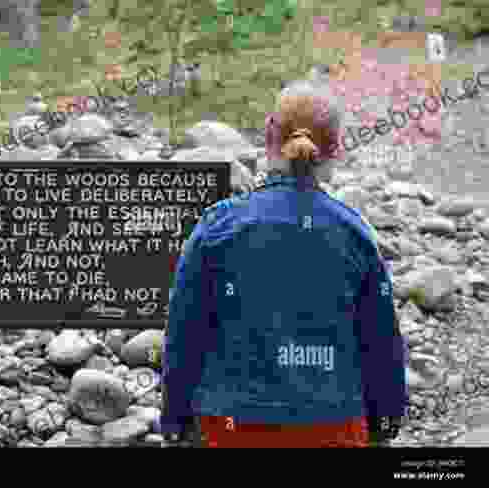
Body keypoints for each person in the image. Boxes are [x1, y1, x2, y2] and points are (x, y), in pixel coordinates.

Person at [161, 79, 408, 448]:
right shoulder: (354, 235)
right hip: (334, 427)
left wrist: (174, 423)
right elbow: (382, 346)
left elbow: (184, 337)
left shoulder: (217, 228)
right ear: (335, 149)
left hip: (229, 428)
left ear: (268, 134)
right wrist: (384, 424)